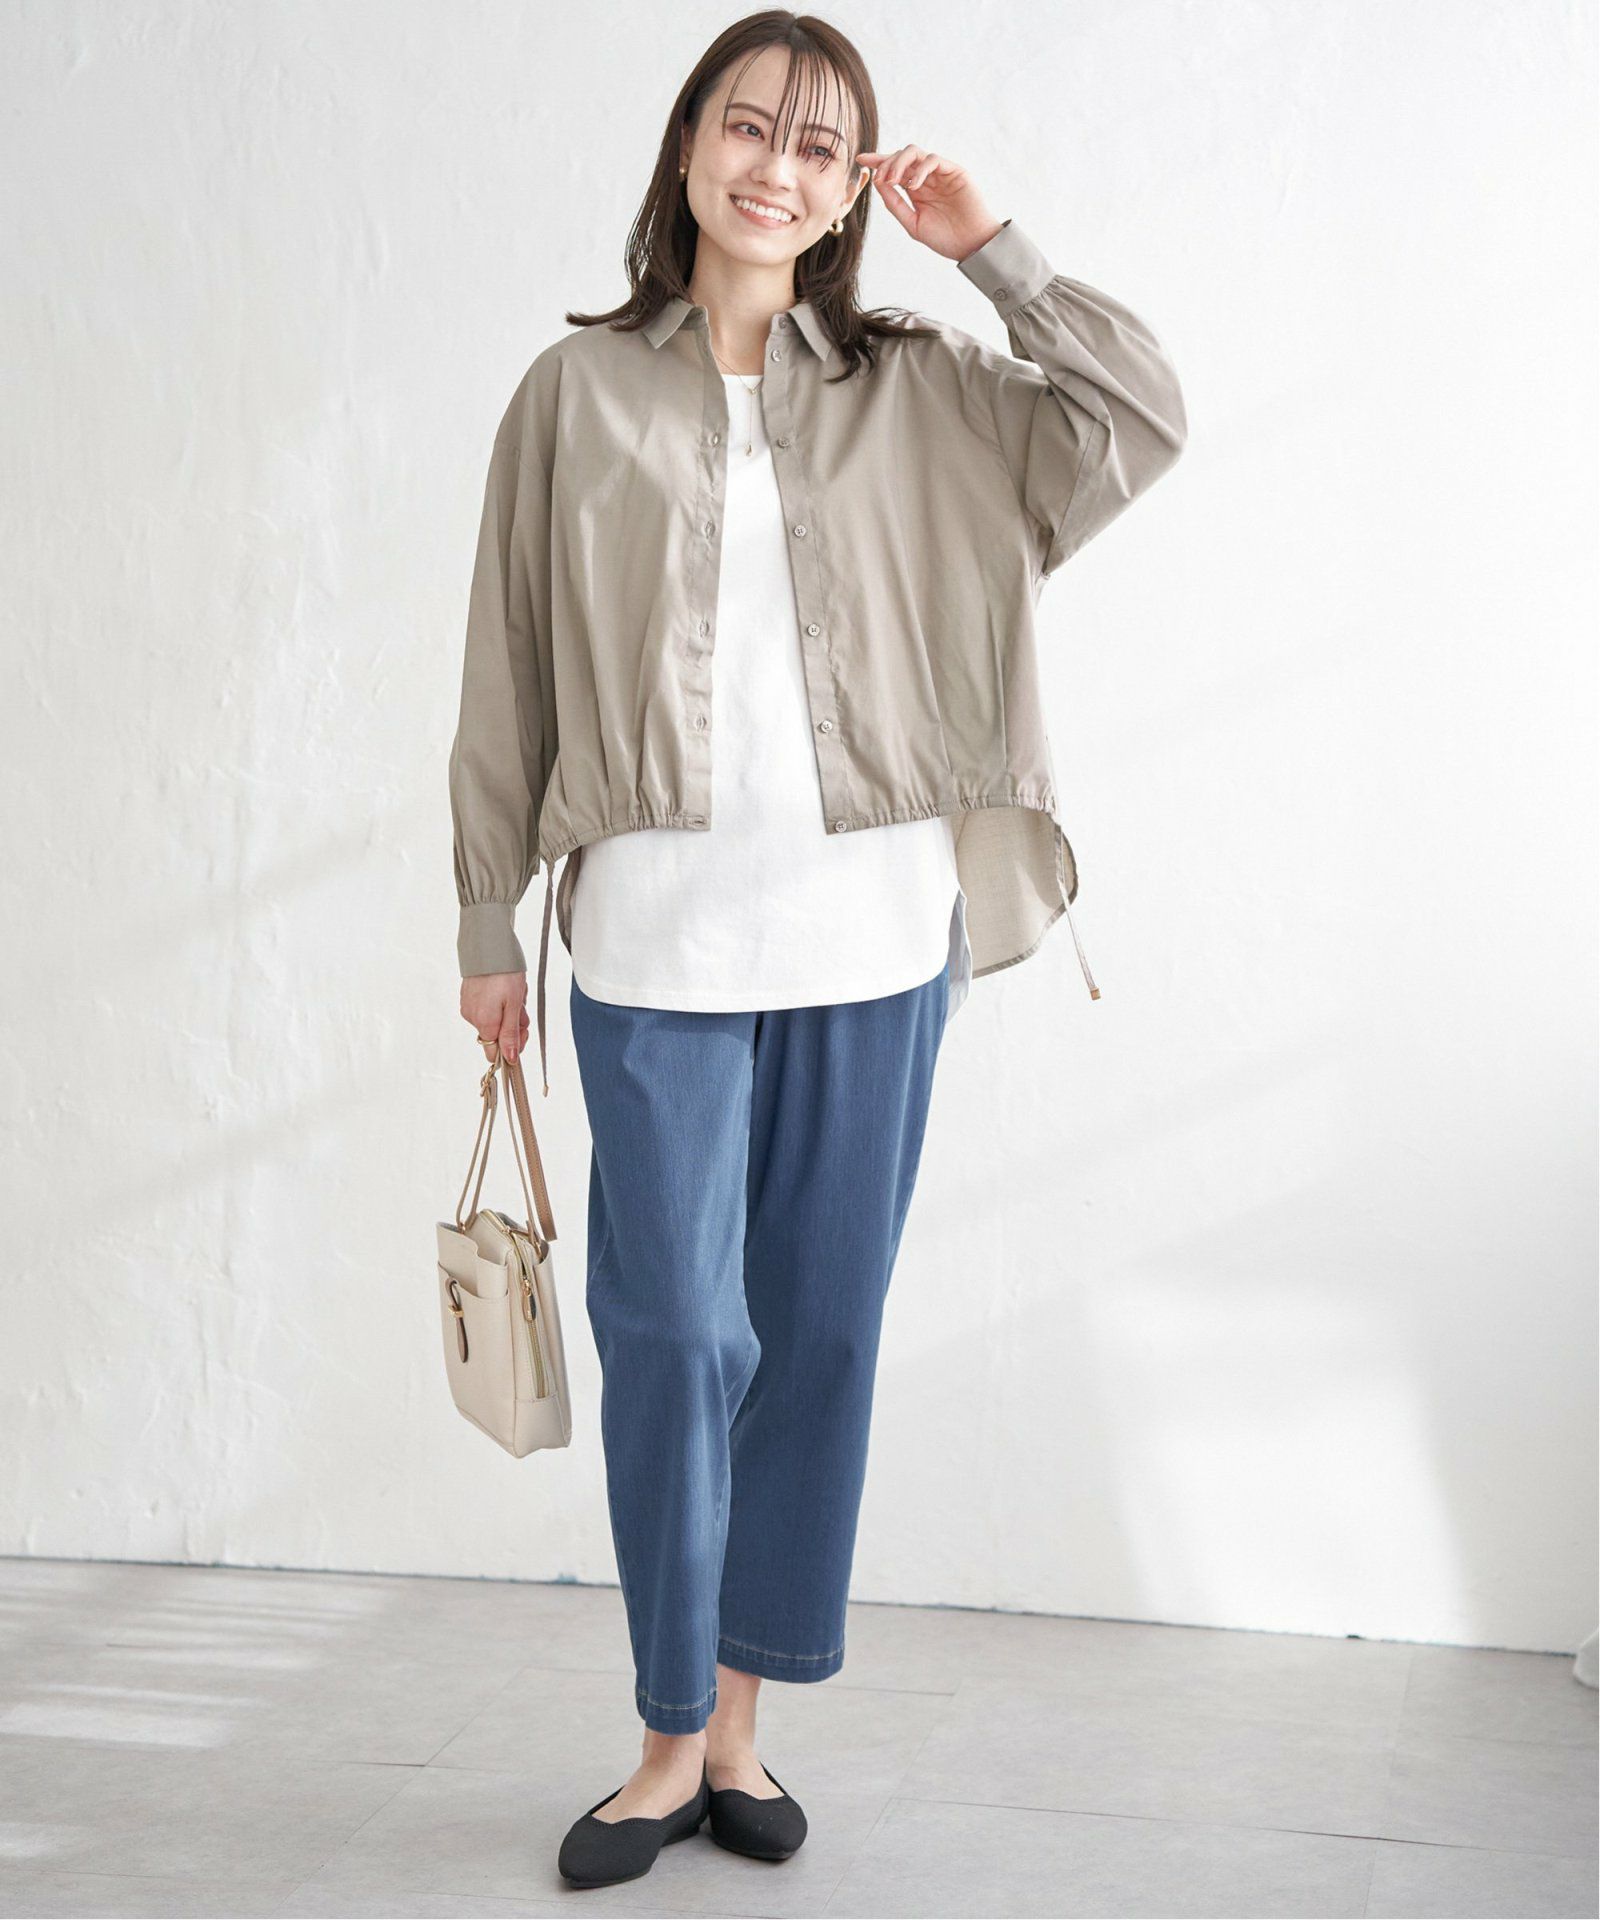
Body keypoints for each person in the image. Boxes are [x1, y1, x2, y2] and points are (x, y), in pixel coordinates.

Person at [448, 11, 1186, 1892]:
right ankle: (659, 1742)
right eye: (748, 125)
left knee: (823, 1336)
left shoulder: (927, 388)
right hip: (653, 950)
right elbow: (506, 668)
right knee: (675, 1337)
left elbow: (1139, 419)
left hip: (874, 942)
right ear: (690, 143)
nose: (775, 165)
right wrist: (483, 919)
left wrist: (992, 248)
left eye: (817, 141)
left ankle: (740, 1733)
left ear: (853, 183)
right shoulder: (574, 392)